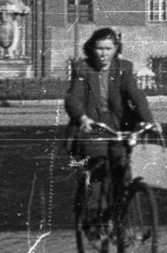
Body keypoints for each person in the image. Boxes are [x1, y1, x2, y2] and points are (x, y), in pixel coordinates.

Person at [64, 28, 158, 222]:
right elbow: (73, 98)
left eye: (108, 48)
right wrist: (82, 118)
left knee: (121, 166)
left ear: (116, 49)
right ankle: (94, 218)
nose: (103, 53)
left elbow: (136, 96)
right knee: (98, 167)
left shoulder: (123, 68)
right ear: (92, 48)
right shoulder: (83, 68)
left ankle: (119, 215)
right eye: (99, 48)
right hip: (92, 126)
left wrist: (150, 120)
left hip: (118, 125)